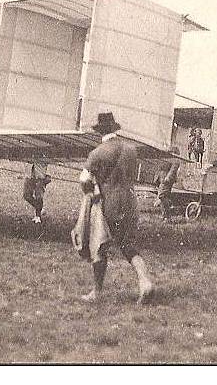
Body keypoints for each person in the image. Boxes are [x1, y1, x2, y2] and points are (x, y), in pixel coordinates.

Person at [78, 112, 154, 304]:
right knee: (128, 245)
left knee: (99, 246)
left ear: (100, 131)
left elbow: (84, 179)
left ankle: (97, 291)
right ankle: (145, 282)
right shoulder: (130, 149)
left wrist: (92, 191)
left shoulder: (98, 153)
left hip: (109, 202)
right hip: (130, 200)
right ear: (114, 129)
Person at [23, 159, 52, 224]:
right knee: (26, 195)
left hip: (40, 172)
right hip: (29, 171)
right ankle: (40, 208)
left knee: (38, 195)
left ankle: (38, 216)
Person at [157, 147, 181, 223]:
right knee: (162, 198)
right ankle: (164, 216)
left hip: (166, 181)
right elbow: (160, 168)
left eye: (171, 151)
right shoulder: (167, 158)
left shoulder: (176, 160)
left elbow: (173, 170)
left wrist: (167, 178)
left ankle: (167, 216)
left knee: (162, 196)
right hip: (161, 179)